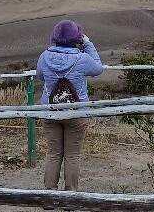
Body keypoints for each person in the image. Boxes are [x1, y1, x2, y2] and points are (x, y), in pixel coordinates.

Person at [36, 19, 104, 191]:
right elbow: (98, 68)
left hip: (50, 111)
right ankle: (70, 195)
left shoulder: (44, 57)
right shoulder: (81, 59)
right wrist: (88, 44)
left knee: (53, 154)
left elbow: (40, 76)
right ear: (77, 38)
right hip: (76, 113)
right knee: (72, 155)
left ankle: (49, 196)